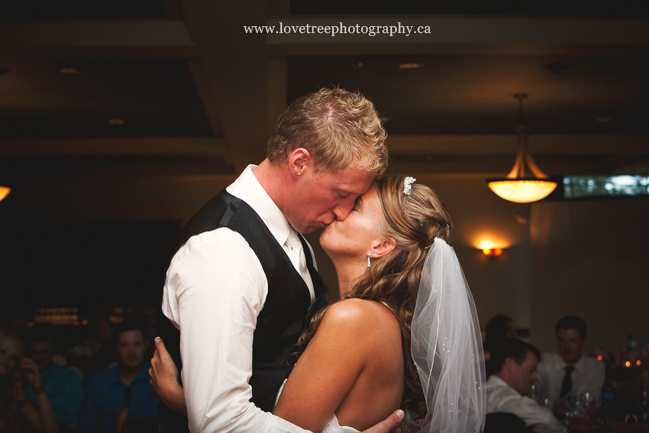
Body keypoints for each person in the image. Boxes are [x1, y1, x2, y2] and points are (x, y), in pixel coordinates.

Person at [152, 176, 486, 432]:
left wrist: (186, 403)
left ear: (382, 245)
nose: (339, 210)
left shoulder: (354, 318)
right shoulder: (372, 317)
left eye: (353, 207)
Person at [158, 87, 397, 433]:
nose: (344, 211)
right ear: (300, 162)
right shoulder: (223, 252)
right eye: (342, 194)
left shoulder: (293, 230)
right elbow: (219, 422)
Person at [78, 318, 159, 433]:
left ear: (146, 346)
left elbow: (170, 410)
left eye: (137, 345)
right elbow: (86, 426)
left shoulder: (158, 377)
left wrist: (130, 412)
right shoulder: (98, 382)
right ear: (117, 347)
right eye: (125, 345)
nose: (132, 352)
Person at [486, 338, 566, 433]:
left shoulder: (483, 390)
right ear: (509, 365)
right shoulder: (499, 395)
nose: (534, 377)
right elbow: (545, 420)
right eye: (531, 370)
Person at [0, 328, 59, 433]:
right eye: (2, 351)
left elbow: (51, 430)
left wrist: (38, 386)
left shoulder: (13, 393)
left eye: (14, 358)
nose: (8, 359)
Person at [535, 316, 604, 405]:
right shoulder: (547, 362)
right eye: (562, 341)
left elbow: (591, 401)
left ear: (583, 341)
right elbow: (535, 383)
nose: (567, 347)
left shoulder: (596, 368)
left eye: (572, 341)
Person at [27, 326, 83, 432]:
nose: (40, 357)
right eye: (35, 352)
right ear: (29, 352)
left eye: (45, 352)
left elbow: (73, 422)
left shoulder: (70, 378)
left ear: (53, 350)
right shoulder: (21, 380)